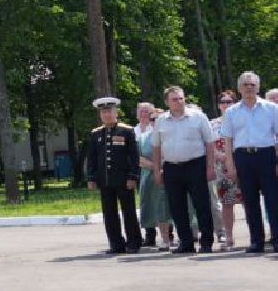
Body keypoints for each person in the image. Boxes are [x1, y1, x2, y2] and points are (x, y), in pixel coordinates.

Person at [220, 71, 278, 254]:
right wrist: (230, 164)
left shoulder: (271, 108)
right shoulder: (232, 112)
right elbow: (228, 140)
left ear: (258, 87)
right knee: (250, 202)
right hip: (243, 157)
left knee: (273, 201)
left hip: (266, 155)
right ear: (239, 88)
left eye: (252, 84)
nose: (249, 87)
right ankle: (256, 242)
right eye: (245, 84)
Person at [152, 85, 216, 255]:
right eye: (175, 99)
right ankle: (186, 243)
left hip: (196, 165)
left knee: (202, 206)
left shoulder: (198, 117)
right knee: (177, 208)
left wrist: (210, 167)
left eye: (181, 98)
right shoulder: (161, 121)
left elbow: (210, 143)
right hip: (172, 168)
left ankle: (207, 242)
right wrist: (157, 170)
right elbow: (156, 147)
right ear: (167, 102)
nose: (179, 102)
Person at [82, 96, 141, 254]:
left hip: (124, 179)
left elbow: (134, 157)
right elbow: (92, 158)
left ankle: (133, 242)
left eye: (109, 111)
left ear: (116, 112)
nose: (107, 115)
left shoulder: (126, 131)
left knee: (128, 212)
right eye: (103, 112)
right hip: (105, 180)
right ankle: (116, 244)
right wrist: (91, 178)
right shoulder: (96, 134)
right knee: (109, 214)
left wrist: (133, 176)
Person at [133, 102, 174, 251]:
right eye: (142, 111)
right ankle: (150, 235)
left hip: (166, 171)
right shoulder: (135, 132)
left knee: (167, 203)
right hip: (146, 173)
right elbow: (135, 156)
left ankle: (170, 233)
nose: (144, 114)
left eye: (147, 112)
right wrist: (153, 167)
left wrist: (159, 167)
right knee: (148, 203)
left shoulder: (166, 132)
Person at [210, 90, 242, 249]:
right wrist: (220, 156)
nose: (226, 105)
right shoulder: (213, 123)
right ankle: (228, 237)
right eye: (223, 102)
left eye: (230, 102)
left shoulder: (242, 120)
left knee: (249, 201)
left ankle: (257, 235)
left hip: (242, 164)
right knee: (227, 203)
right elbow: (208, 144)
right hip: (222, 168)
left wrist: (232, 157)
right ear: (218, 105)